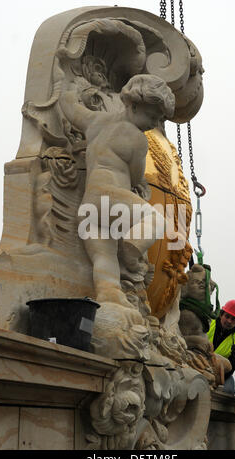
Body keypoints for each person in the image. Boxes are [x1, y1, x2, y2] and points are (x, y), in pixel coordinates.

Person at [59, 74, 175, 307]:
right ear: (132, 105)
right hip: (110, 197)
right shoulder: (137, 139)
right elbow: (135, 176)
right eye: (152, 116)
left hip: (90, 206)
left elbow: (70, 109)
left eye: (159, 118)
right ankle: (131, 249)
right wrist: (141, 182)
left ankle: (109, 299)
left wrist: (68, 86)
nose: (154, 123)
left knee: (104, 258)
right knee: (156, 219)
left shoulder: (95, 121)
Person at [207, 299, 235, 394]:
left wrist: (216, 379)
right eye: (227, 316)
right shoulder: (209, 322)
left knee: (229, 390)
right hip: (199, 364)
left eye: (233, 319)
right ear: (221, 314)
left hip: (221, 373)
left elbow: (233, 365)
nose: (229, 321)